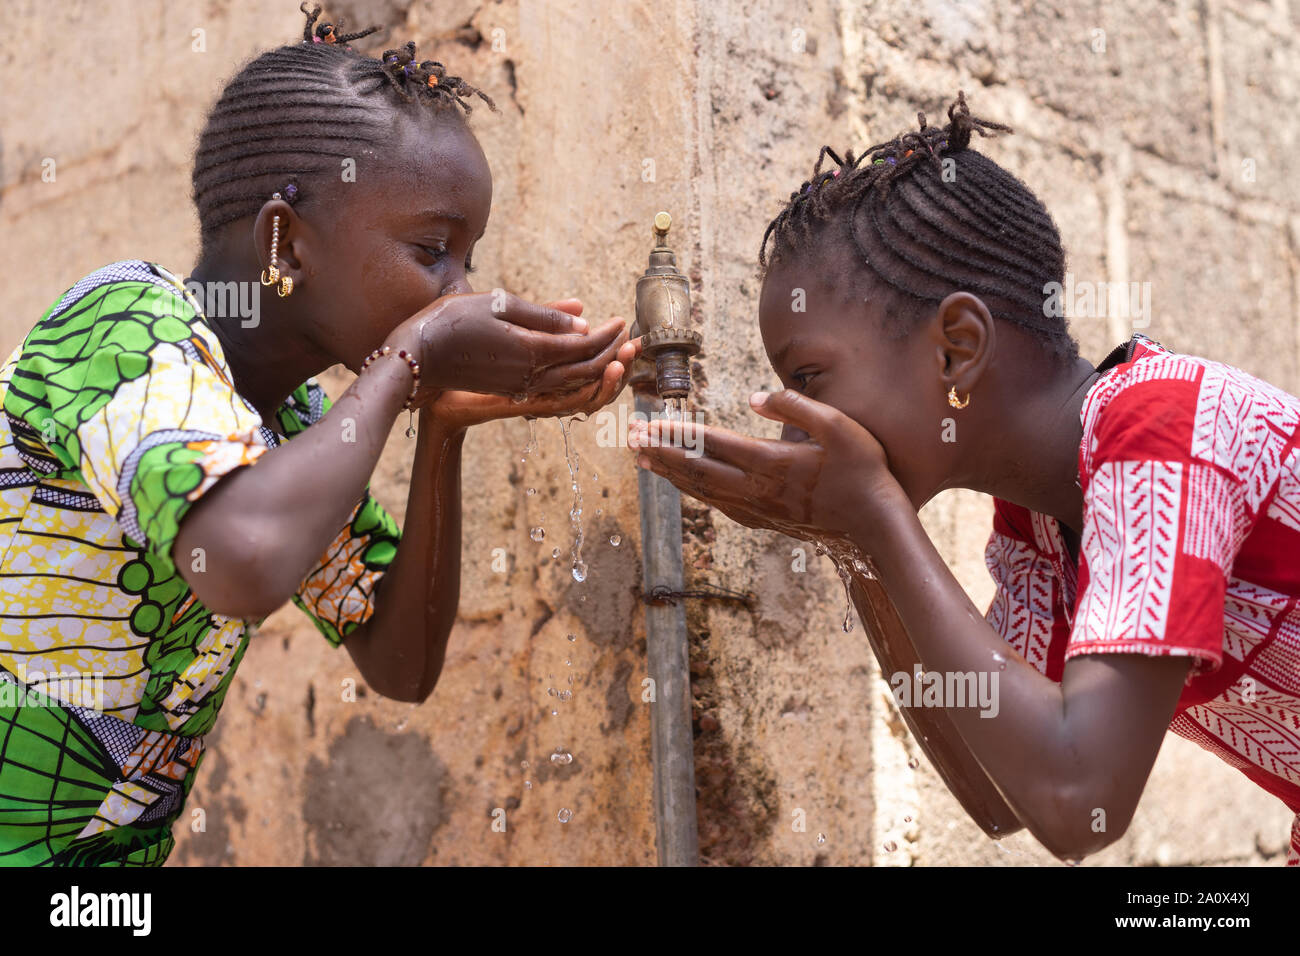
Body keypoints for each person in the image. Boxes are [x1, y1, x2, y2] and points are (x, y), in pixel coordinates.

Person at [0, 4, 637, 866]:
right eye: (431, 251)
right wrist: (414, 354)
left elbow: (399, 663)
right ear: (286, 245)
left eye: (468, 263)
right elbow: (242, 559)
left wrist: (441, 428)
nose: (455, 293)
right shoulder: (124, 324)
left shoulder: (292, 425)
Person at [630, 92, 1300, 866]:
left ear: (956, 347)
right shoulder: (1037, 526)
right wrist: (856, 540)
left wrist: (878, 516)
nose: (794, 429)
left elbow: (1081, 804)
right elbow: (999, 795)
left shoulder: (1165, 429)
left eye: (809, 380)